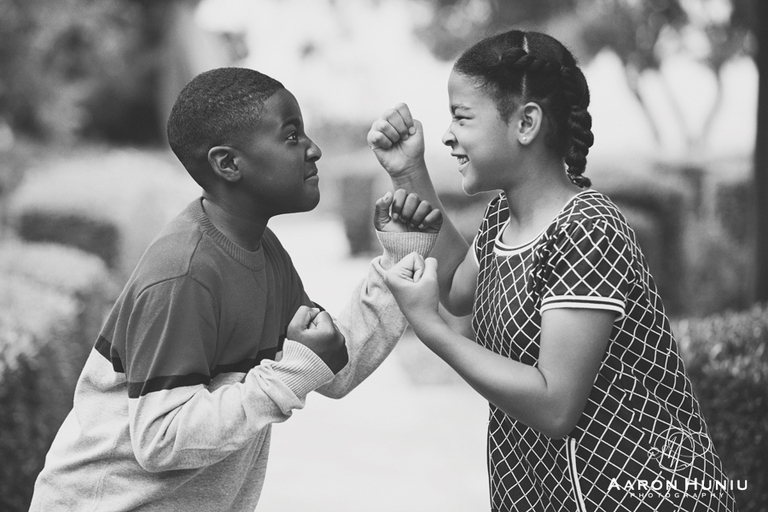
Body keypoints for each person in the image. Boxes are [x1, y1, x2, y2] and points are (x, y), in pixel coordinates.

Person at [29, 67, 441, 511]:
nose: (314, 150)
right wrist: (288, 375)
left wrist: (400, 257)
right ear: (228, 164)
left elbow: (332, 367)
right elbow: (160, 439)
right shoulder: (183, 275)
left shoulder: (263, 252)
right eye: (291, 136)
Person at [368, 29, 737, 512]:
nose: (447, 134)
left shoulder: (587, 231)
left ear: (526, 123)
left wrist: (431, 331)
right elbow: (460, 290)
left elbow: (554, 404)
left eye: (462, 117)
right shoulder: (505, 214)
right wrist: (409, 173)